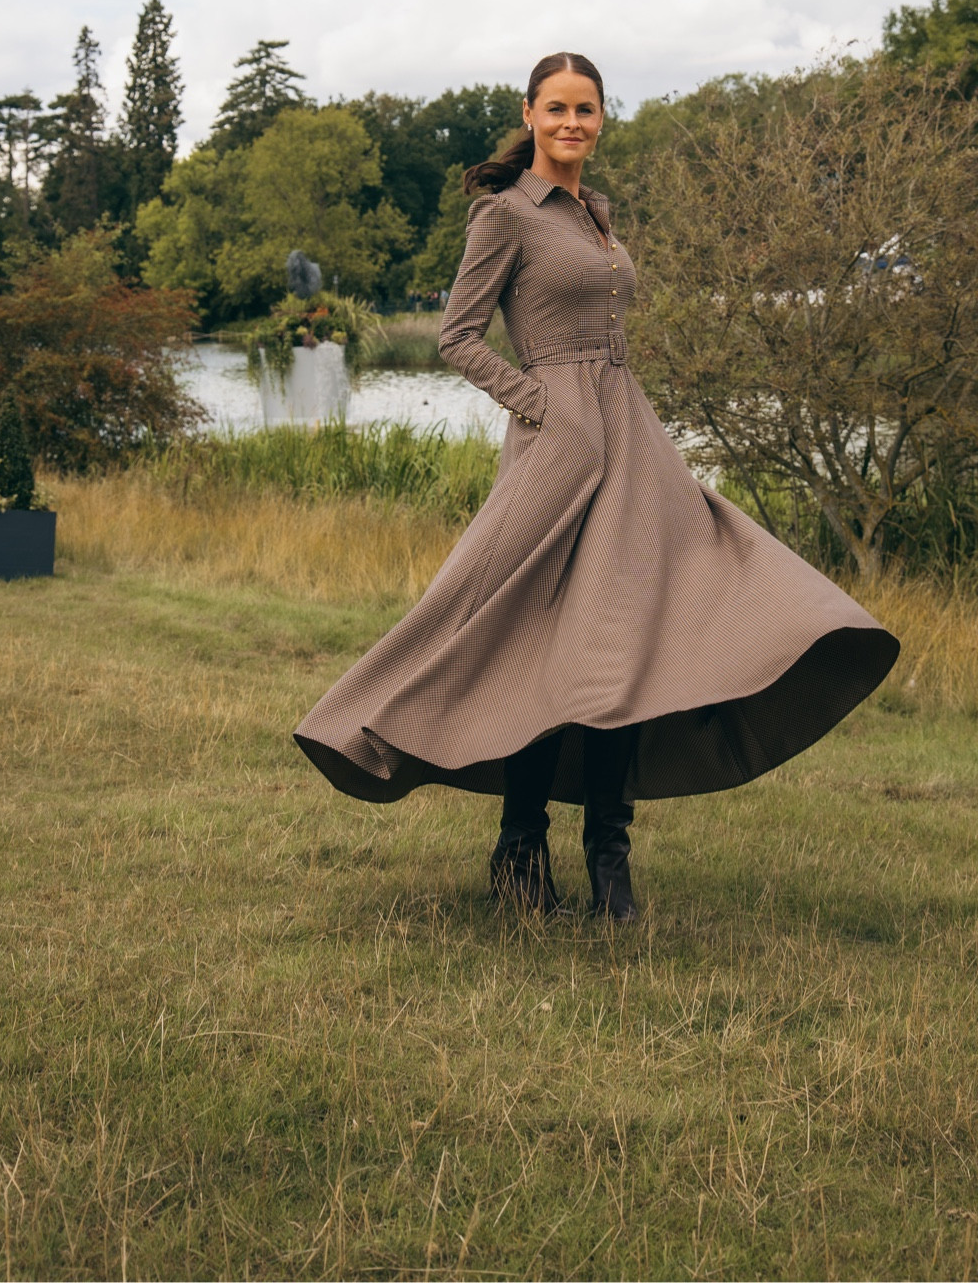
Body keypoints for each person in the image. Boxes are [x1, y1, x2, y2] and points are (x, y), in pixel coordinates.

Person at [295, 52, 899, 921]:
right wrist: (540, 401)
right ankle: (518, 848)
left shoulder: (595, 217)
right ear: (531, 115)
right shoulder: (505, 216)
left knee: (626, 646)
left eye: (586, 110)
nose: (572, 123)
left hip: (632, 442)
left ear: (601, 119)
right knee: (536, 648)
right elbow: (457, 337)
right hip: (560, 448)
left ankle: (608, 857)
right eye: (557, 109)